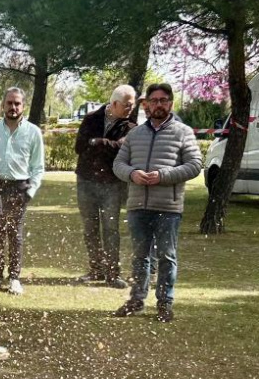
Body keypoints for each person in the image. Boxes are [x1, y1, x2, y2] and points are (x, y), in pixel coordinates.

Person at [112, 83, 202, 322]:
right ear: (147, 105)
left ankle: (164, 303)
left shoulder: (183, 132)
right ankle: (136, 300)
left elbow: (195, 165)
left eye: (163, 100)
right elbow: (118, 164)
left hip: (168, 207)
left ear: (170, 103)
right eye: (154, 100)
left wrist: (163, 176)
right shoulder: (135, 134)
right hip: (138, 206)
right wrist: (132, 174)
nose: (158, 104)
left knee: (166, 257)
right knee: (140, 257)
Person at [0, 87, 45, 295]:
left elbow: (38, 167)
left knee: (15, 234)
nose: (13, 107)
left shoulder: (33, 132)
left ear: (23, 106)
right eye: (9, 103)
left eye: (17, 103)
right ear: (3, 105)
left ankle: (15, 278)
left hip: (19, 187)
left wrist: (29, 192)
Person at [74, 84, 137, 288]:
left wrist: (98, 143)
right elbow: (79, 147)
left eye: (132, 105)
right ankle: (96, 270)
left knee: (111, 229)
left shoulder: (130, 127)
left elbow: (122, 150)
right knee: (90, 228)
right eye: (127, 105)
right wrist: (107, 145)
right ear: (115, 103)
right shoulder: (91, 119)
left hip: (112, 184)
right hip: (86, 181)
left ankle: (112, 274)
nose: (130, 109)